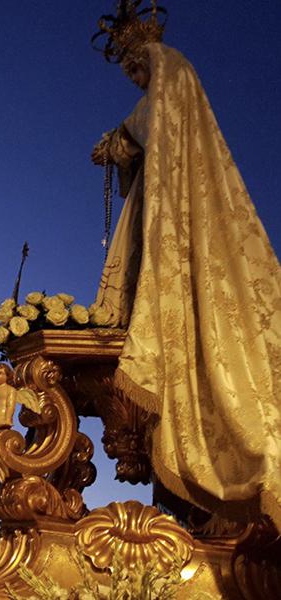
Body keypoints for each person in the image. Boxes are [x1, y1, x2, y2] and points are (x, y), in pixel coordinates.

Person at [89, 0, 281, 530]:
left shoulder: (168, 85)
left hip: (169, 213)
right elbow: (141, 138)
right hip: (157, 206)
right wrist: (120, 150)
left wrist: (113, 144)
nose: (133, 76)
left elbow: (141, 128)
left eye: (134, 67)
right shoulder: (167, 103)